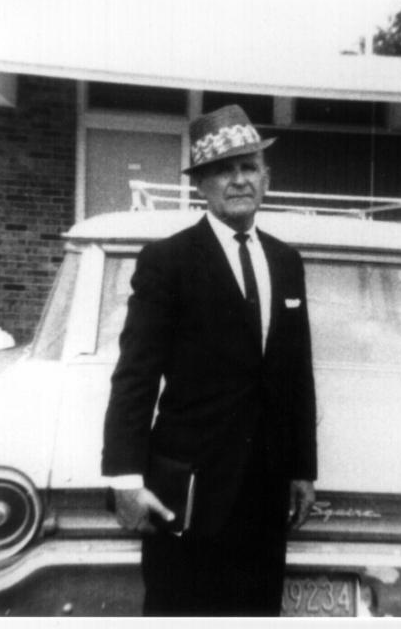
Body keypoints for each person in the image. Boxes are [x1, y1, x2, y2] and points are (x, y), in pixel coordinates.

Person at [102, 104, 317, 617]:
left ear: (266, 178)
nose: (239, 180)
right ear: (200, 184)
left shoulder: (286, 261)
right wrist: (125, 479)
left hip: (265, 493)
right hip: (189, 490)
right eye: (223, 170)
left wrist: (302, 469)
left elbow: (296, 374)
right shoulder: (168, 261)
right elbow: (135, 376)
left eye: (249, 167)